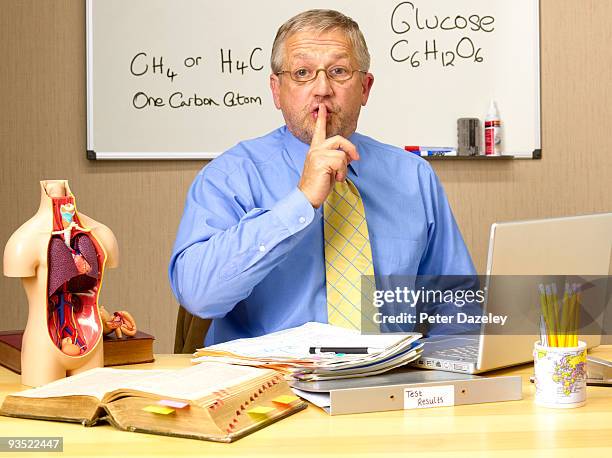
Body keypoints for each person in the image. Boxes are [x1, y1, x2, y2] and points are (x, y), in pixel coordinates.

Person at [168, 9, 476, 346]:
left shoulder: (413, 176)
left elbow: (459, 304)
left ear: (365, 88)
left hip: (385, 384)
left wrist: (444, 368)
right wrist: (301, 201)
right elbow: (197, 294)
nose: (322, 88)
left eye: (339, 71)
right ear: (276, 89)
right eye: (302, 73)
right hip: (270, 389)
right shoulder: (229, 177)